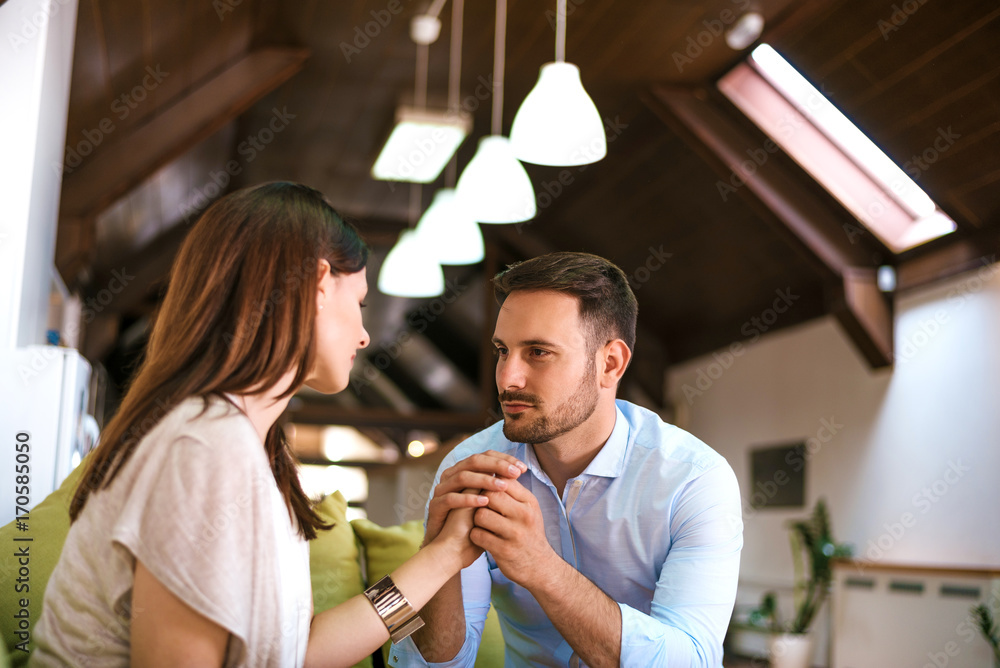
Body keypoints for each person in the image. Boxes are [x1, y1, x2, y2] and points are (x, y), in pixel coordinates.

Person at [31, 182, 522, 668]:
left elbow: (299, 651)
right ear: (318, 283)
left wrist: (444, 556)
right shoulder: (205, 448)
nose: (366, 334)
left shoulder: (252, 450)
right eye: (361, 303)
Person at [392, 252, 744, 668]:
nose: (507, 378)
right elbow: (434, 665)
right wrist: (438, 553)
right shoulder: (472, 466)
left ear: (610, 363)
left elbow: (693, 662)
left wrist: (540, 567)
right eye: (503, 351)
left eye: (538, 352)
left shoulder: (694, 480)